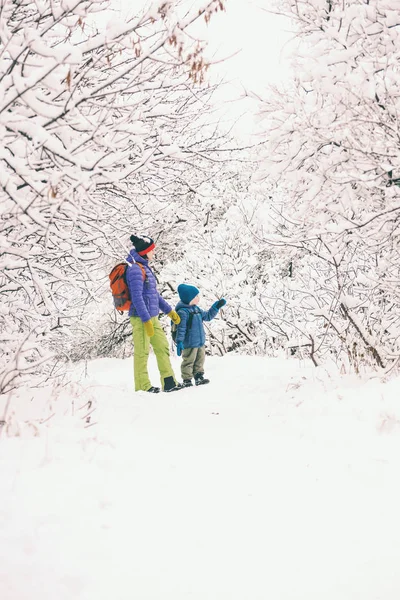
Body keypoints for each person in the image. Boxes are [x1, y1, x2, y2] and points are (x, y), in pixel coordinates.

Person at [126, 234, 182, 393]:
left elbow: (153, 295)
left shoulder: (145, 268)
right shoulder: (135, 269)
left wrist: (170, 311)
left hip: (153, 317)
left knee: (162, 347)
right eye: (151, 250)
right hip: (140, 317)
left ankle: (169, 381)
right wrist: (145, 320)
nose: (154, 253)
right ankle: (143, 386)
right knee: (142, 352)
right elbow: (137, 297)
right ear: (144, 251)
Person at [174, 283, 226, 387]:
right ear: (189, 298)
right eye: (196, 296)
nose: (198, 298)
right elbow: (181, 328)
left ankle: (199, 376)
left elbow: (207, 316)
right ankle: (187, 379)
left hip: (200, 341)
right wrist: (179, 341)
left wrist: (216, 307)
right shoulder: (183, 312)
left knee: (200, 360)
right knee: (188, 361)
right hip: (189, 343)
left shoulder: (197, 309)